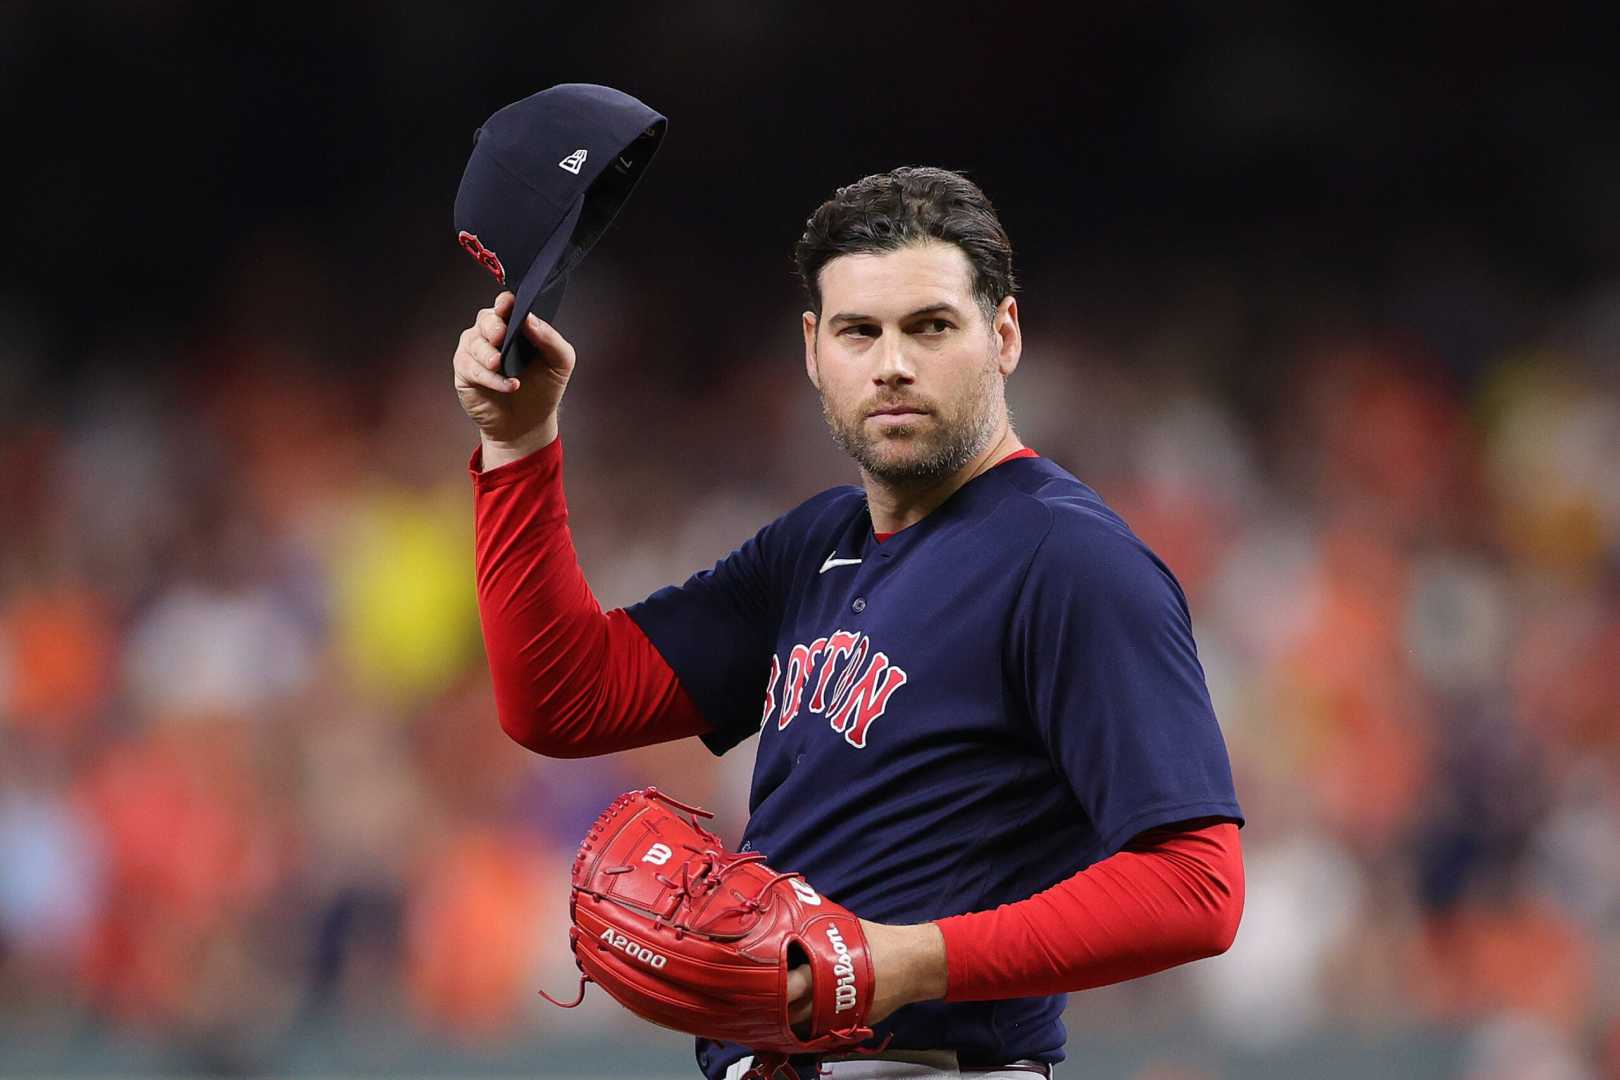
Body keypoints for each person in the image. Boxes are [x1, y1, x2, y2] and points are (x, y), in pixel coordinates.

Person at [452, 166, 1245, 1080]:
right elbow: (565, 700)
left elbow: (1198, 885)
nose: (892, 362)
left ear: (1005, 334)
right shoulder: (816, 545)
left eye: (931, 326)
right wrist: (518, 442)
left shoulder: (1070, 560)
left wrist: (901, 962)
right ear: (812, 348)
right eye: (859, 331)